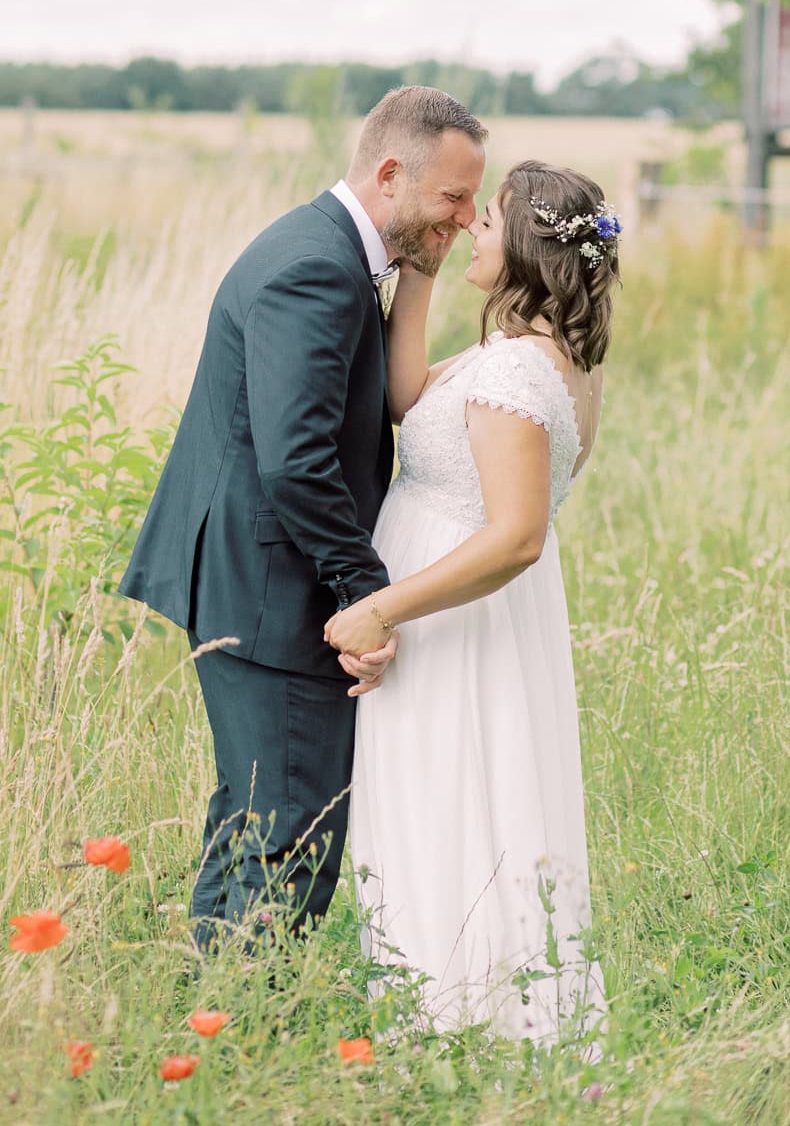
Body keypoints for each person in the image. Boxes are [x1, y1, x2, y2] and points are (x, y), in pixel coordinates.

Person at [120, 87, 487, 950]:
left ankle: (215, 1022)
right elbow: (298, 458)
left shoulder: (324, 247)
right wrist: (368, 597)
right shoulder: (316, 267)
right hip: (272, 594)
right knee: (289, 832)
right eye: (454, 198)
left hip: (258, 581)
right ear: (391, 174)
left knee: (255, 817)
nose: (469, 219)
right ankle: (243, 1027)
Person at [325, 160, 621, 1041]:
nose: (473, 232)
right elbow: (413, 398)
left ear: (525, 245)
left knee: (447, 804)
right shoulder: (530, 357)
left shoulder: (518, 376)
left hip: (448, 618)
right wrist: (418, 273)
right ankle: (449, 1011)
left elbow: (516, 534)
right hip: (468, 616)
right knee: (454, 801)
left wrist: (384, 607)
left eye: (485, 222)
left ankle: (455, 1023)